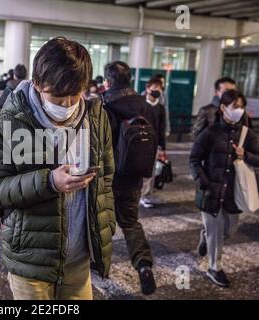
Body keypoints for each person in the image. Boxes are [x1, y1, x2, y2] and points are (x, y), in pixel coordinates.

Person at [0, 37, 115, 300]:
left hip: (79, 260)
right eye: (57, 96)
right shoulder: (9, 122)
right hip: (31, 261)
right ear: (37, 84)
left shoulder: (97, 118)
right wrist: (49, 182)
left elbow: (107, 177)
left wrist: (105, 227)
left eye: (74, 95)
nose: (66, 104)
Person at [190, 89, 259, 288]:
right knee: (216, 233)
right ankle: (214, 267)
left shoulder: (248, 135)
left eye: (241, 107)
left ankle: (205, 236)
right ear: (223, 108)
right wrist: (203, 183)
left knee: (230, 229)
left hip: (233, 193)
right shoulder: (211, 132)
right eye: (235, 106)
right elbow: (194, 159)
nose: (239, 110)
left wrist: (245, 155)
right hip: (211, 191)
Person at [103, 61, 157, 295]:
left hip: (109, 176)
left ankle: (99, 264)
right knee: (131, 222)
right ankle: (144, 266)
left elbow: (101, 142)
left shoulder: (106, 104)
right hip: (134, 175)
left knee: (101, 222)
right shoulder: (144, 104)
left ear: (108, 81)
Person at [140, 77, 167, 208]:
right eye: (154, 88)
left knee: (152, 171)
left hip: (154, 143)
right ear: (147, 89)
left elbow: (162, 128)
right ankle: (141, 194)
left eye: (159, 89)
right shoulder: (140, 103)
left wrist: (163, 146)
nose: (157, 91)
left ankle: (147, 194)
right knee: (141, 170)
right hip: (140, 142)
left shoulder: (160, 108)